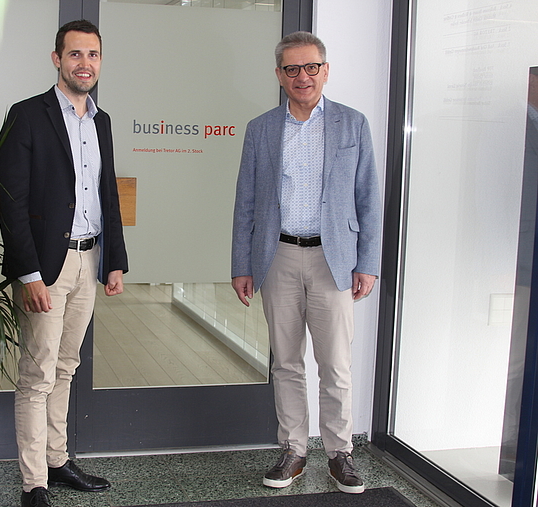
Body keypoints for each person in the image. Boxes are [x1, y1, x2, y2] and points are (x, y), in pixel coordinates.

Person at [231, 31, 381, 495]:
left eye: (311, 67)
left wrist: (368, 262)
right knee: (287, 362)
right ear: (279, 75)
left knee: (335, 364)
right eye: (292, 69)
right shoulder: (261, 128)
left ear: (325, 70)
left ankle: (340, 453)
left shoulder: (352, 125)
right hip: (276, 258)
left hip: (333, 259)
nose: (302, 76)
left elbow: (368, 199)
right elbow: (247, 202)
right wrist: (242, 263)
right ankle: (294, 448)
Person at [0, 19, 128, 507]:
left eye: (93, 55)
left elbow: (106, 193)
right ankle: (33, 483)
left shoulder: (102, 121)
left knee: (67, 366)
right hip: (45, 269)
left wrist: (114, 258)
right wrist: (28, 273)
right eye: (75, 54)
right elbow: (9, 199)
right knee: (37, 374)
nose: (85, 64)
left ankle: (57, 459)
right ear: (57, 59)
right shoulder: (27, 115)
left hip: (88, 259)